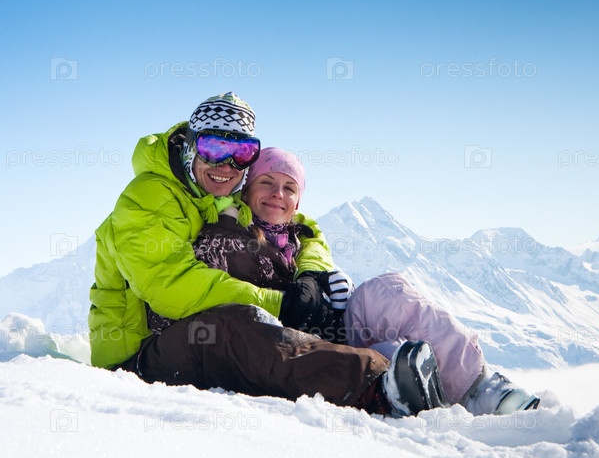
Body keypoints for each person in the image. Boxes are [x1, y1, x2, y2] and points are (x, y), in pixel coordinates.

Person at [88, 92, 447, 416]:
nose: (227, 165)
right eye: (214, 147)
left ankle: (448, 379)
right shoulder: (148, 195)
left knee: (247, 322)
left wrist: (311, 273)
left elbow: (299, 226)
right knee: (227, 325)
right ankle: (376, 386)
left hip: (180, 336)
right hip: (136, 358)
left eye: (242, 153)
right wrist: (280, 304)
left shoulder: (216, 192)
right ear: (191, 146)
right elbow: (169, 284)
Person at [193, 145, 540, 415]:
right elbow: (231, 315)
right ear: (247, 190)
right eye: (266, 183)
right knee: (396, 357)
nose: (277, 194)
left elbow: (314, 261)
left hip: (330, 330)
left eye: (289, 188)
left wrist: (327, 283)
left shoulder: (301, 238)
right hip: (294, 348)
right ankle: (423, 399)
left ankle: (481, 387)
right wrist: (288, 302)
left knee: (382, 292)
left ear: (298, 202)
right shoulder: (227, 236)